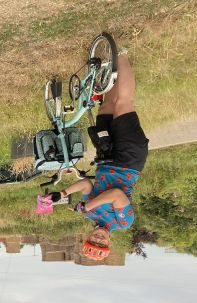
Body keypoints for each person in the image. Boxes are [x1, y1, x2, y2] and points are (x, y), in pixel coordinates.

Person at [42, 50, 148, 261]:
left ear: (88, 237)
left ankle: (113, 66)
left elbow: (86, 185)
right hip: (129, 161)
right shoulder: (122, 222)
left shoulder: (90, 214)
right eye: (102, 243)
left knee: (106, 107)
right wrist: (87, 206)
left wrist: (62, 194)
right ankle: (122, 54)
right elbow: (116, 195)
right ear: (109, 242)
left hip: (106, 156)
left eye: (93, 241)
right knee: (123, 104)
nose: (98, 239)